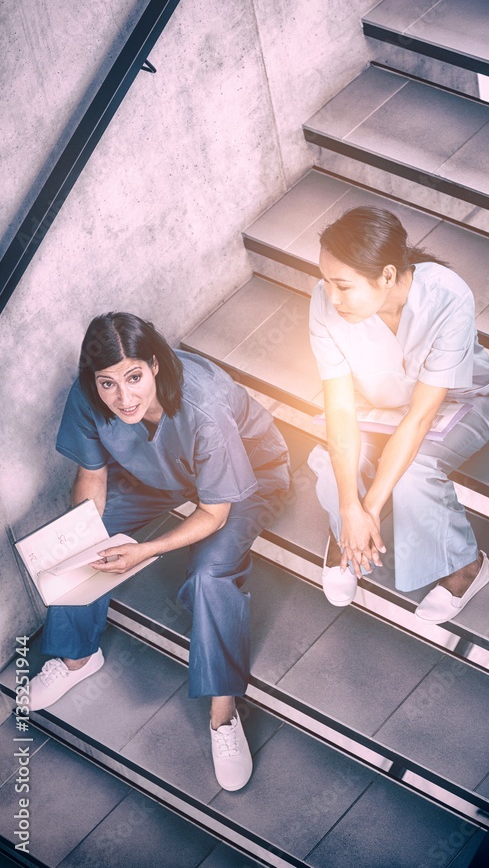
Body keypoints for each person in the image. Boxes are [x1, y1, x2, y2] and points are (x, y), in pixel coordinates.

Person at [28, 312, 290, 790]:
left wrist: (144, 551)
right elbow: (92, 477)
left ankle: (223, 712)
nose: (122, 398)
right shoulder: (91, 394)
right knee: (90, 528)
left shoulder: (203, 407)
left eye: (133, 378)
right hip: (165, 471)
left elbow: (213, 513)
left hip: (246, 473)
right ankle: (76, 657)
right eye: (108, 384)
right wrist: (86, 537)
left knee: (210, 575)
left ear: (153, 364)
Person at [307, 206, 489, 622]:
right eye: (327, 282)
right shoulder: (325, 305)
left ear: (385, 275)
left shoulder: (448, 297)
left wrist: (371, 504)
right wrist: (350, 507)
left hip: (460, 400)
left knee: (415, 469)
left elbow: (419, 417)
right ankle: (345, 534)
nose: (331, 297)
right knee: (335, 462)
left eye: (342, 286)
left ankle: (466, 565)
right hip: (378, 407)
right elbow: (341, 408)